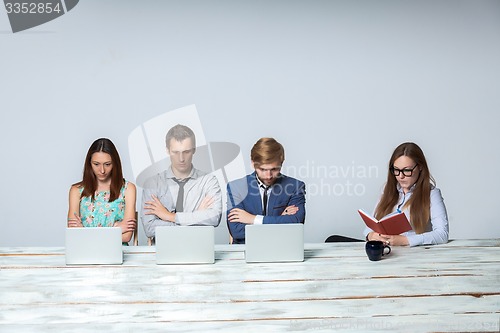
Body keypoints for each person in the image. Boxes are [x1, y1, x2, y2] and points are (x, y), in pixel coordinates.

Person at [141, 124, 222, 241]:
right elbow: (149, 228)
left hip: (198, 247)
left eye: (186, 152)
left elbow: (214, 218)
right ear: (167, 150)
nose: (181, 158)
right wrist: (196, 219)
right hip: (164, 249)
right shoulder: (152, 184)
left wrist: (170, 216)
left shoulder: (208, 181)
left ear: (194, 150)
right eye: (175, 152)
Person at [364, 142, 448, 247]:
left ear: (420, 167)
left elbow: (442, 234)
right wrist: (370, 235)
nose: (401, 176)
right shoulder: (387, 190)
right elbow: (371, 224)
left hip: (415, 257)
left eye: (407, 170)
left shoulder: (431, 194)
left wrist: (406, 240)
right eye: (396, 170)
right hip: (386, 254)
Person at [227, 137, 306, 244]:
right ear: (253, 163)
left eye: (274, 169)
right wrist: (279, 220)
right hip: (245, 250)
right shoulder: (236, 187)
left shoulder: (295, 187)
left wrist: (253, 219)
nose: (268, 176)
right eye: (263, 169)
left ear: (281, 163)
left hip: (281, 248)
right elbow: (237, 231)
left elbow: (296, 224)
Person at [68, 138, 137, 244]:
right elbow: (73, 235)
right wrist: (115, 229)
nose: (102, 170)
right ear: (89, 163)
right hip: (85, 252)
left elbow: (127, 236)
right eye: (96, 164)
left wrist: (84, 231)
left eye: (107, 164)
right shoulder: (76, 190)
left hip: (116, 252)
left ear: (115, 163)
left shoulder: (128, 189)